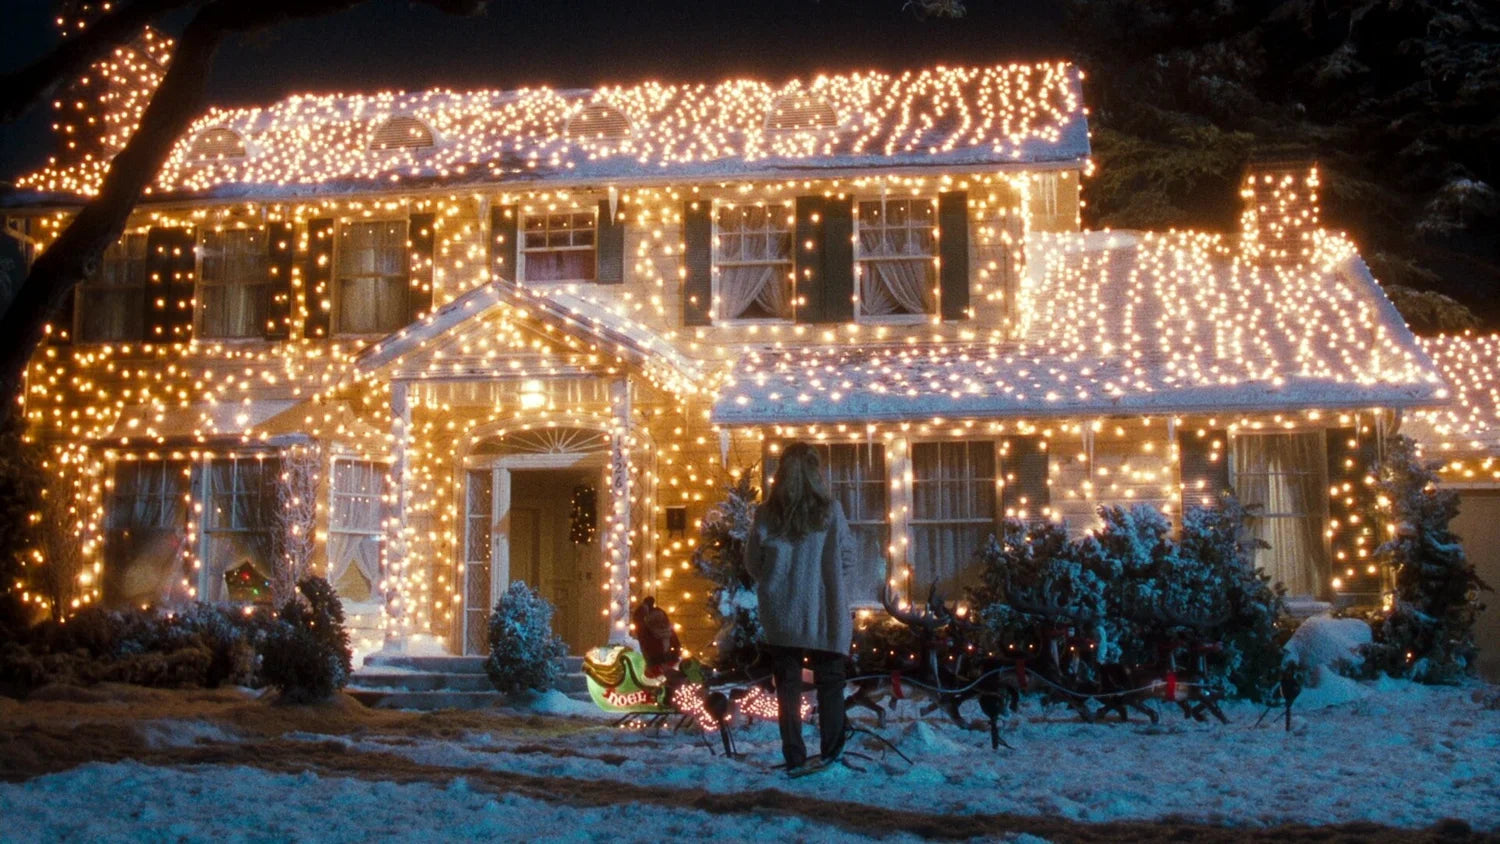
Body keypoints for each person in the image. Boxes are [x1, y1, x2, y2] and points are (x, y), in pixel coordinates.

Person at [744, 442, 857, 776]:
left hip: (782, 611)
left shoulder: (766, 514)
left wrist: (777, 578)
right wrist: (829, 579)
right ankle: (831, 753)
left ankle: (794, 756)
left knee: (788, 686)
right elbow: (848, 558)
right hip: (825, 609)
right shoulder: (831, 511)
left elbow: (753, 563)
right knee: (831, 682)